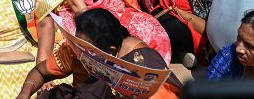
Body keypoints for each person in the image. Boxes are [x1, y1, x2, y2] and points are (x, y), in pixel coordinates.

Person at [16, 9, 182, 99]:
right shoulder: (78, 50)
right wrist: (24, 94)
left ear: (109, 51)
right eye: (78, 42)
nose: (80, 49)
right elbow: (40, 71)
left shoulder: (142, 60)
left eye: (87, 48)